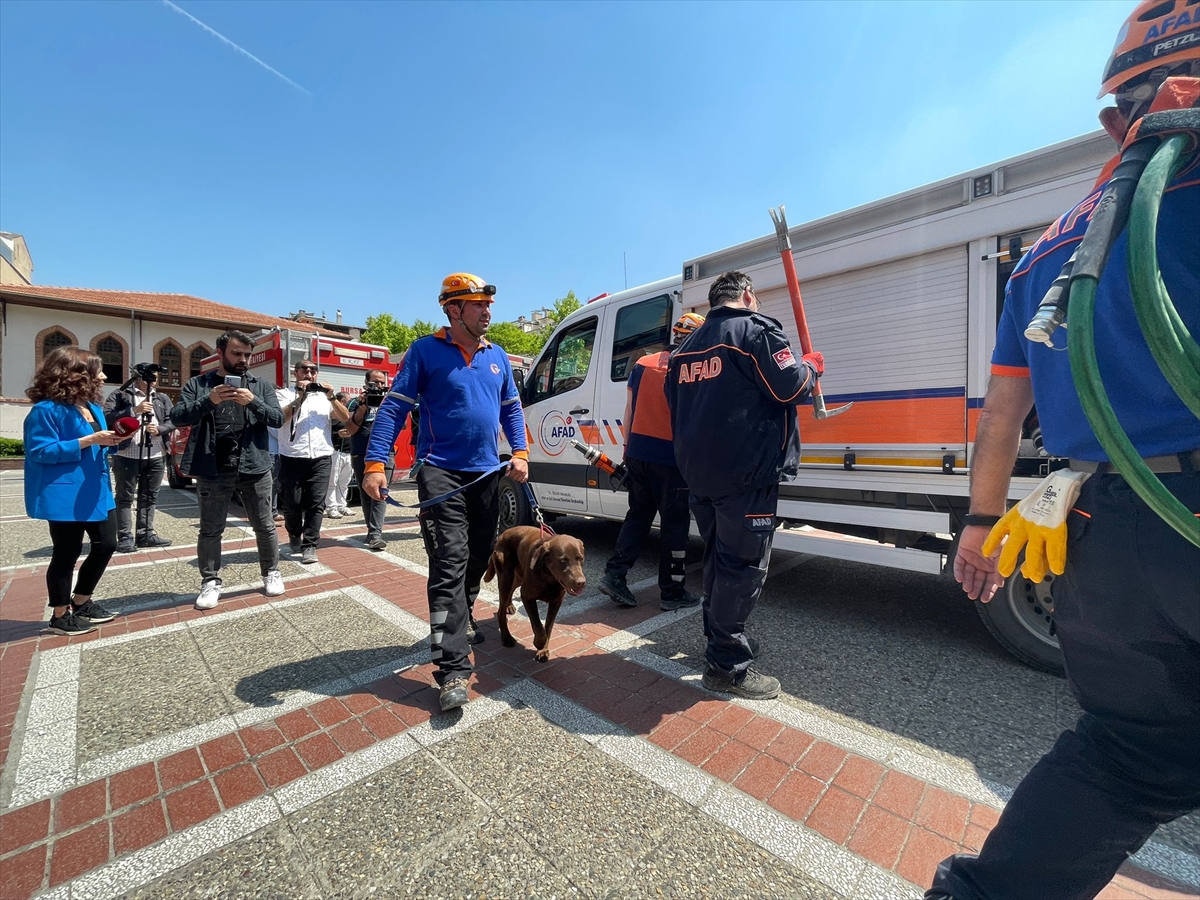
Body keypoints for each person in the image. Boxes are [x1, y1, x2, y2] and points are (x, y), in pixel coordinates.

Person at [927, 5, 1200, 899]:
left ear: (1113, 120)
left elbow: (1000, 418)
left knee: (1126, 756)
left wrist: (976, 524)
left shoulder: (1046, 251)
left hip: (1098, 534)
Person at [362, 272, 529, 712]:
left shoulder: (497, 357)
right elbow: (394, 408)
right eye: (478, 306)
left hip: (487, 474)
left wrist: (521, 452)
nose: (488, 313)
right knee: (449, 563)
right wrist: (376, 464)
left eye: (488, 306)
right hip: (439, 473)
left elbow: (512, 409)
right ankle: (452, 667)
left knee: (479, 556)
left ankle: (464, 612)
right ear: (453, 310)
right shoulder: (424, 351)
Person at [666, 271, 823, 700]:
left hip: (700, 474)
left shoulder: (683, 351)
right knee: (742, 567)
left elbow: (676, 409)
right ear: (748, 295)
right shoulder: (757, 332)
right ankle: (727, 667)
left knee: (720, 561)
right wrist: (810, 366)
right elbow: (788, 386)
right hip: (746, 473)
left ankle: (720, 642)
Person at [599, 312, 706, 612]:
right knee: (674, 524)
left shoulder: (643, 364)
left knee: (638, 515)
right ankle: (672, 591)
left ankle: (615, 574)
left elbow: (629, 409)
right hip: (671, 460)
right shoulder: (693, 367)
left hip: (638, 453)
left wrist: (626, 448)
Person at [171, 330, 285, 609]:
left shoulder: (260, 386)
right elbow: (177, 417)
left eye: (247, 354)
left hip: (254, 465)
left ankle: (271, 572)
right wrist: (210, 400)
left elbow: (278, 419)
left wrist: (253, 402)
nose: (243, 359)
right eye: (237, 353)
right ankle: (210, 582)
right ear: (220, 353)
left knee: (264, 524)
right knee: (211, 529)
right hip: (213, 466)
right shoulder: (199, 385)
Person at [23, 347, 121, 635]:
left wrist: (111, 440)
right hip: (65, 493)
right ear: (74, 375)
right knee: (67, 553)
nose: (103, 376)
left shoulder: (92, 407)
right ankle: (59, 614)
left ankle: (82, 600)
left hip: (97, 488)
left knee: (107, 544)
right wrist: (89, 439)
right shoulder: (45, 410)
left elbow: (96, 443)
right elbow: (40, 451)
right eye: (97, 371)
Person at [276, 359, 349, 564]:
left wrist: (332, 396)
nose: (309, 373)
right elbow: (281, 418)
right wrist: (300, 396)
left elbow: (344, 417)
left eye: (313, 370)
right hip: (292, 456)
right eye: (304, 370)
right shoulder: (284, 394)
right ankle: (294, 533)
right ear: (295, 372)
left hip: (321, 456)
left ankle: (310, 545)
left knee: (316, 503)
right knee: (292, 504)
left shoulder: (325, 398)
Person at [103, 365, 175, 552]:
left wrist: (160, 430)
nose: (153, 380)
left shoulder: (162, 398)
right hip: (127, 454)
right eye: (149, 377)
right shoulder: (120, 395)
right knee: (125, 497)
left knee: (149, 496)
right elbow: (107, 418)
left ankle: (145, 534)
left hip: (156, 454)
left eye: (156, 377)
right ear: (137, 377)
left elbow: (172, 421)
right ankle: (125, 537)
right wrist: (134, 411)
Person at [344, 368, 394, 549]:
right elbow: (350, 429)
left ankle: (375, 533)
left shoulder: (390, 400)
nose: (379, 386)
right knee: (366, 492)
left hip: (385, 452)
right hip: (360, 451)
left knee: (380, 491)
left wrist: (386, 406)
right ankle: (371, 530)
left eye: (382, 382)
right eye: (375, 382)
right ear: (366, 384)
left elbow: (403, 425)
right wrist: (363, 407)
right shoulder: (355, 403)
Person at [324, 392, 353, 519]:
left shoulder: (350, 416)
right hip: (335, 451)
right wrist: (337, 434)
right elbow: (326, 433)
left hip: (349, 452)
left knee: (344, 482)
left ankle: (342, 505)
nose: (351, 403)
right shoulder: (332, 416)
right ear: (341, 401)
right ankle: (331, 507)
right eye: (348, 401)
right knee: (332, 481)